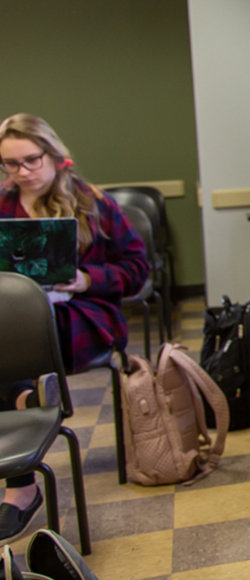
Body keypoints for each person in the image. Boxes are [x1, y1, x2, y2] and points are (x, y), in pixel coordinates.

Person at [0, 113, 149, 542]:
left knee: (14, 347)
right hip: (14, 320)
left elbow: (136, 269)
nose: (21, 173)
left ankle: (21, 485)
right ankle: (31, 400)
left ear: (55, 155)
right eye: (10, 164)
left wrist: (87, 280)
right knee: (8, 339)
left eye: (30, 160)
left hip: (80, 316)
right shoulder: (1, 203)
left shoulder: (92, 203)